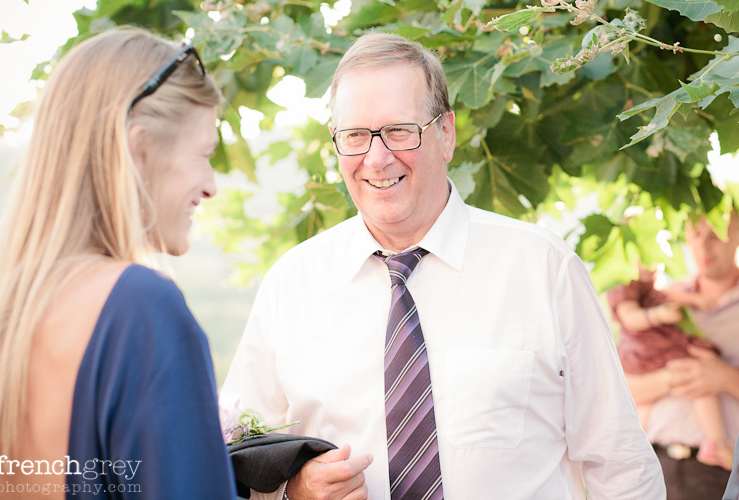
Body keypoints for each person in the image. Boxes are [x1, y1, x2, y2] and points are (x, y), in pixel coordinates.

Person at [220, 32, 665, 499]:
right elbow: (233, 463)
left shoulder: (543, 269)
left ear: (446, 133)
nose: (376, 157)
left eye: (399, 130)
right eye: (354, 135)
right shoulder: (290, 285)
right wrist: (294, 490)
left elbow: (620, 466)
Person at [0, 29, 236, 499]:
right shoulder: (140, 310)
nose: (211, 185)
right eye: (204, 154)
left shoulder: (4, 306)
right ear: (139, 151)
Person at [626, 215, 739, 500]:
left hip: (721, 477)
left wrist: (725, 378)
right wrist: (669, 379)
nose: (704, 245)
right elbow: (620, 389)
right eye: (696, 233)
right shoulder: (661, 302)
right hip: (652, 465)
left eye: (715, 233)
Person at [608, 262, 734, 469]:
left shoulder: (655, 287)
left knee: (695, 381)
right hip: (651, 350)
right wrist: (658, 315)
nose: (656, 265)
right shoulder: (626, 285)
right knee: (697, 383)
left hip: (706, 475)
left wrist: (725, 377)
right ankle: (717, 442)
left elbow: (671, 297)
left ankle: (636, 446)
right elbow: (629, 316)